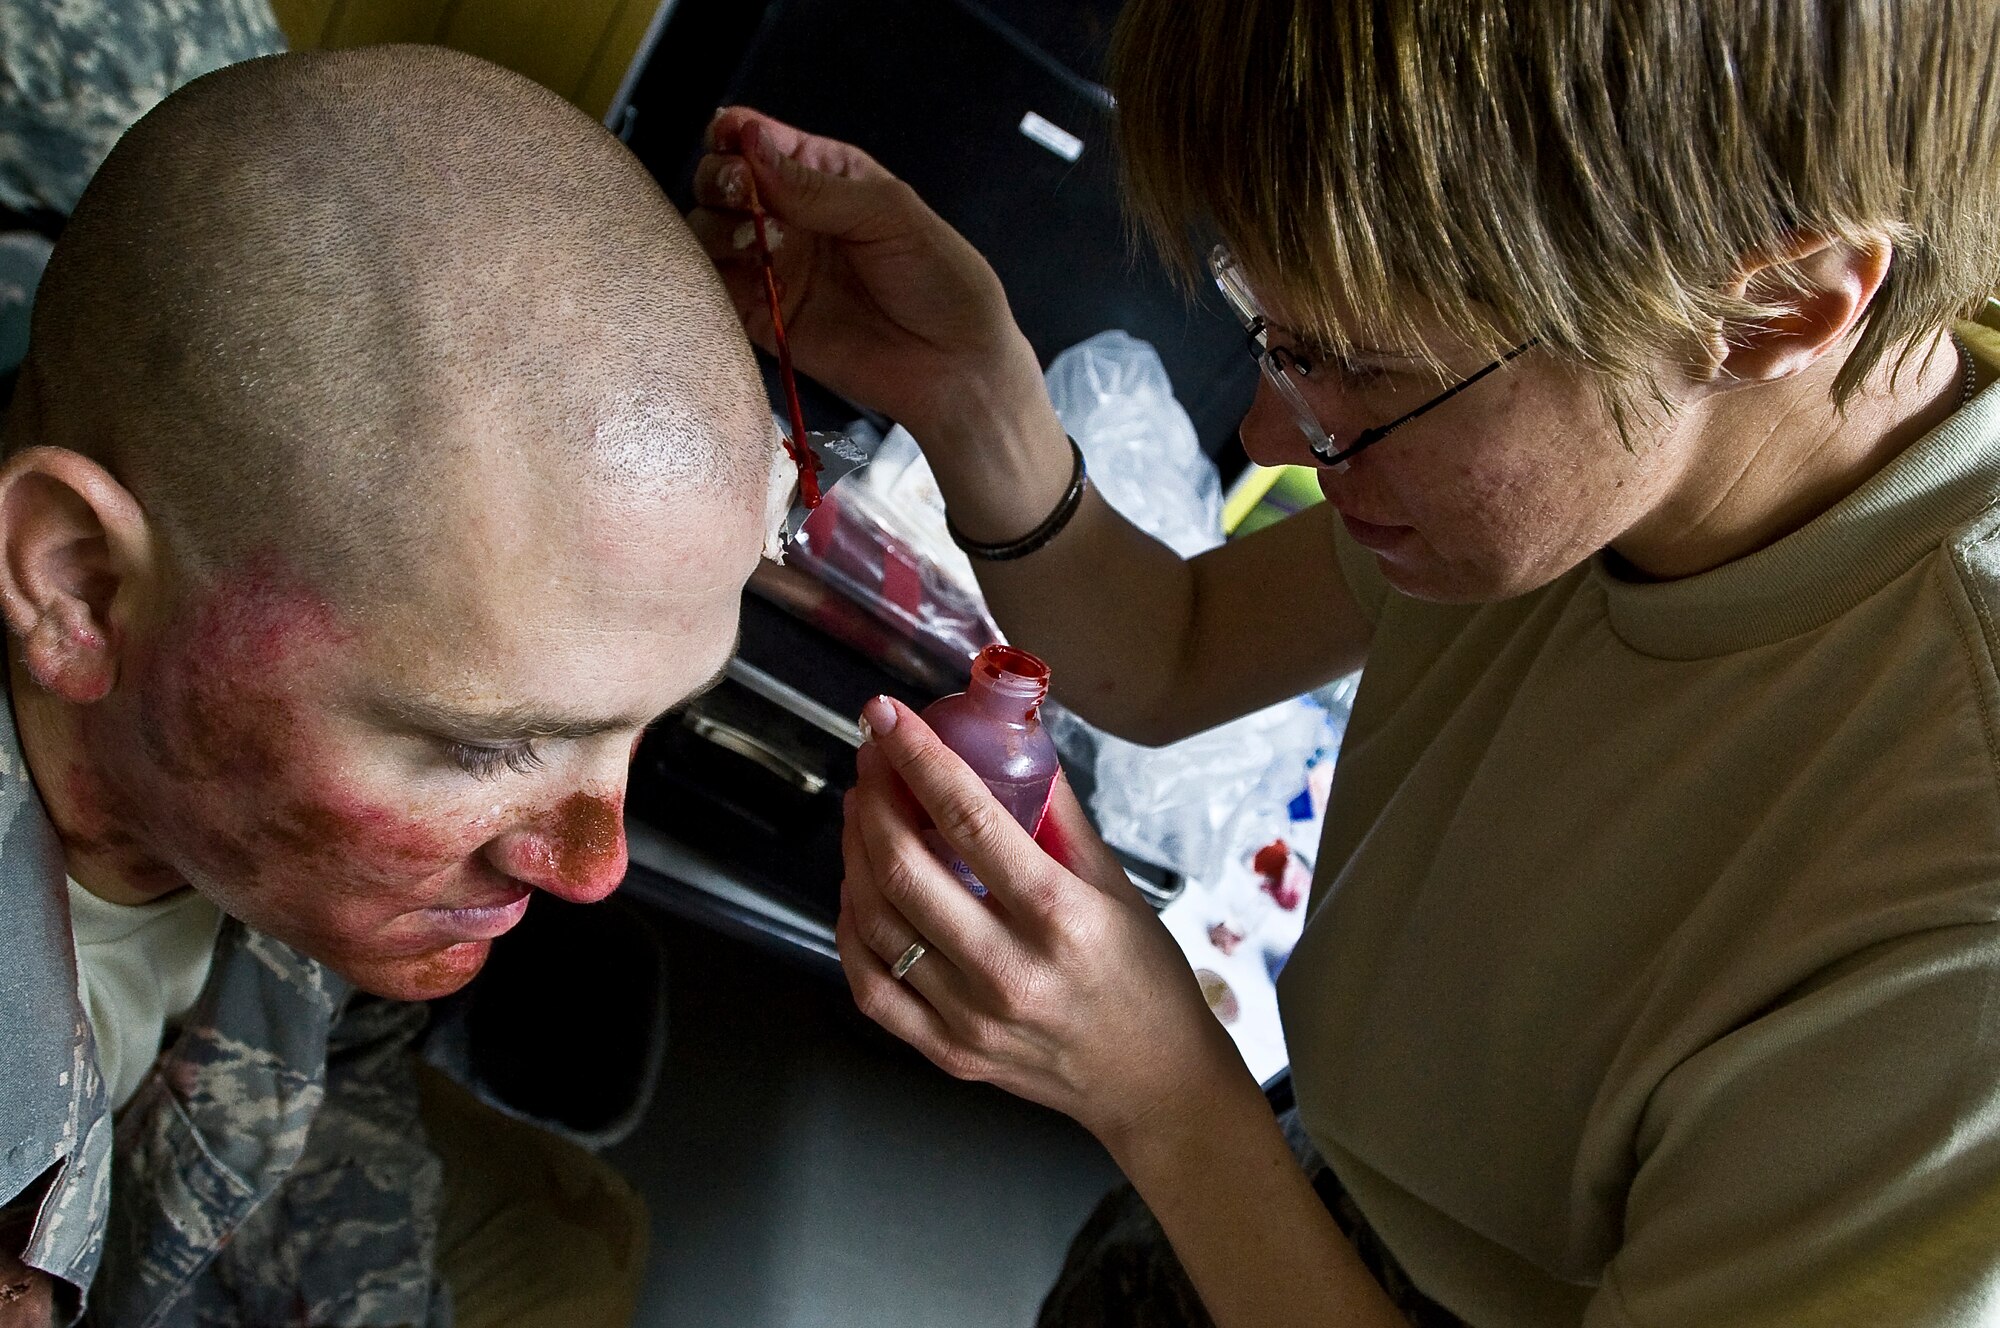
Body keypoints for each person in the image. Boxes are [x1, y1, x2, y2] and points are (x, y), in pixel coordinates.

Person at [689, 0, 2000, 1324]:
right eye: (1272, 326)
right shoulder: (1628, 427)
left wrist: (1158, 1091)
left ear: (1779, 303)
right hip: (1310, 1165)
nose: (1266, 436)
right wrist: (970, 388)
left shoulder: (1955, 907)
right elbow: (1175, 649)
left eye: (1353, 368)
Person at [0, 45, 773, 1328]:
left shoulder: (271, 801)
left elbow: (325, 1062)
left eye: (650, 720)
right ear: (77, 587)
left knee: (586, 1234)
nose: (594, 867)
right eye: (487, 746)